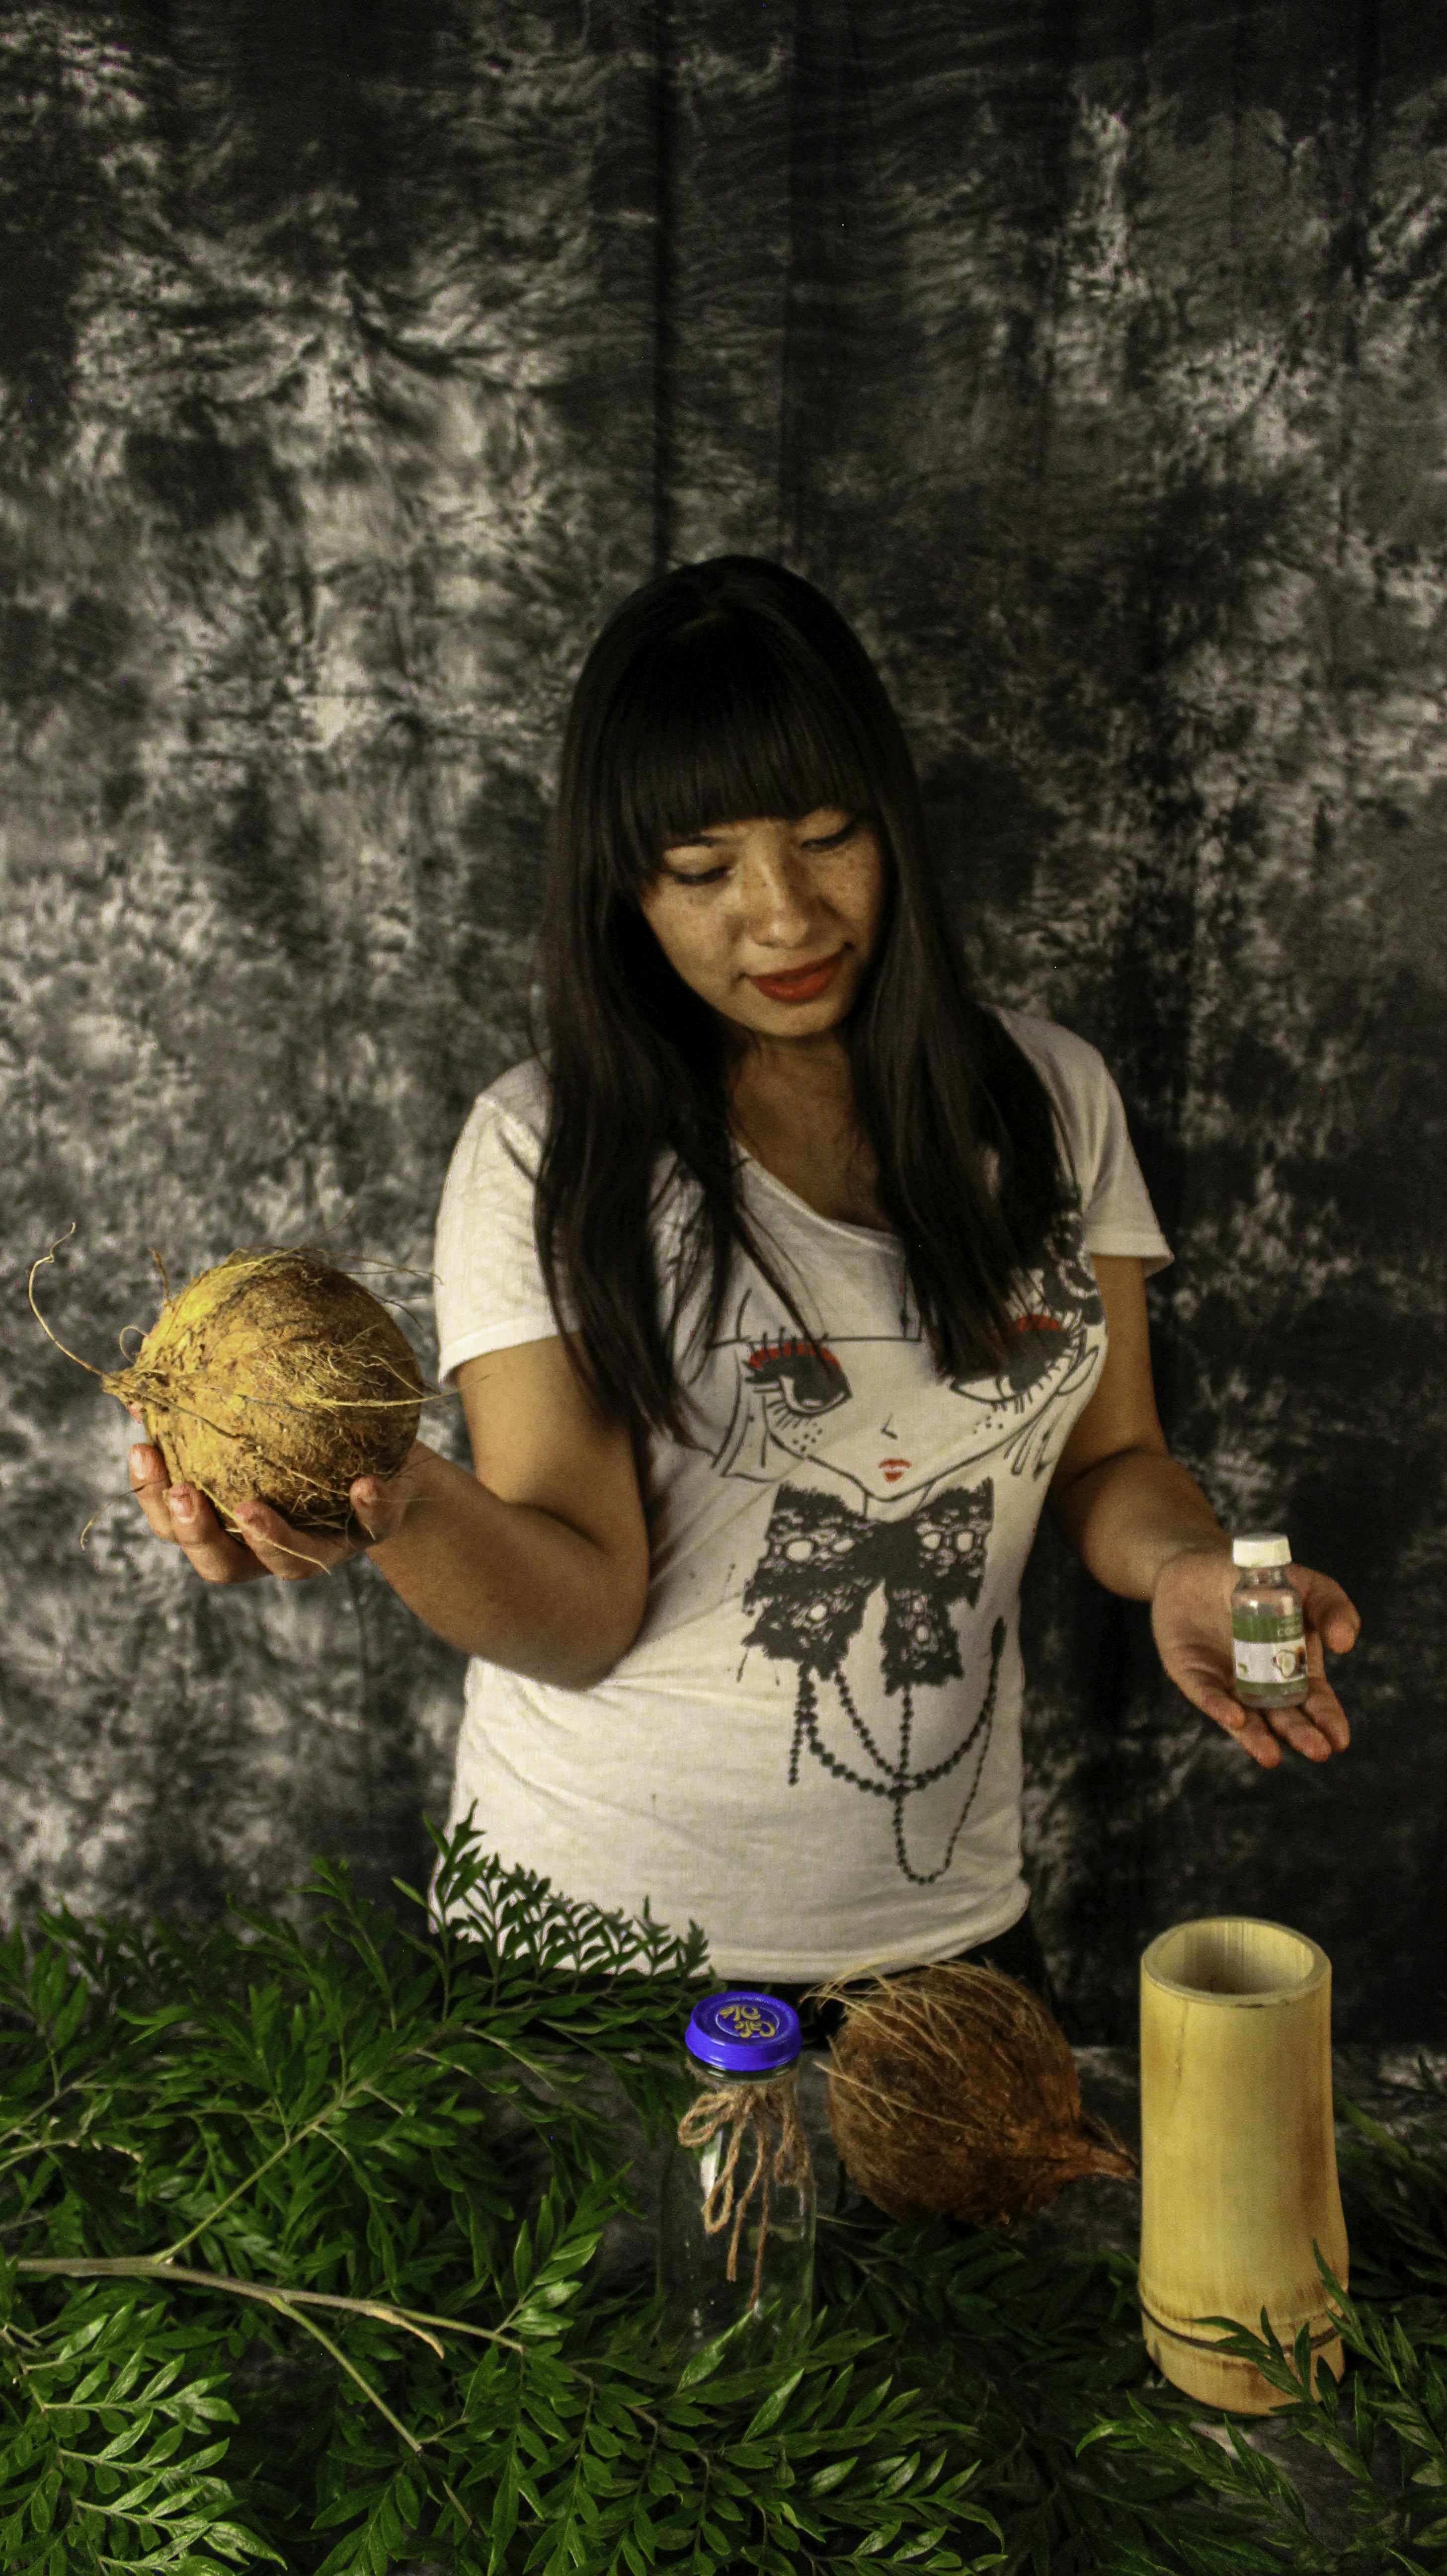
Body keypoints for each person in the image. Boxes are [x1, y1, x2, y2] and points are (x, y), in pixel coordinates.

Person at [127, 557, 1358, 2021]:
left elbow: (1116, 1460)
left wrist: (1181, 1566)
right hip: (591, 1966)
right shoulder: (546, 1149)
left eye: (829, 838)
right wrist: (392, 1504)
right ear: (626, 888)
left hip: (945, 1946)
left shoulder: (1050, 1098)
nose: (783, 919)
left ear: (891, 826)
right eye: (704, 872)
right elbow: (580, 1610)